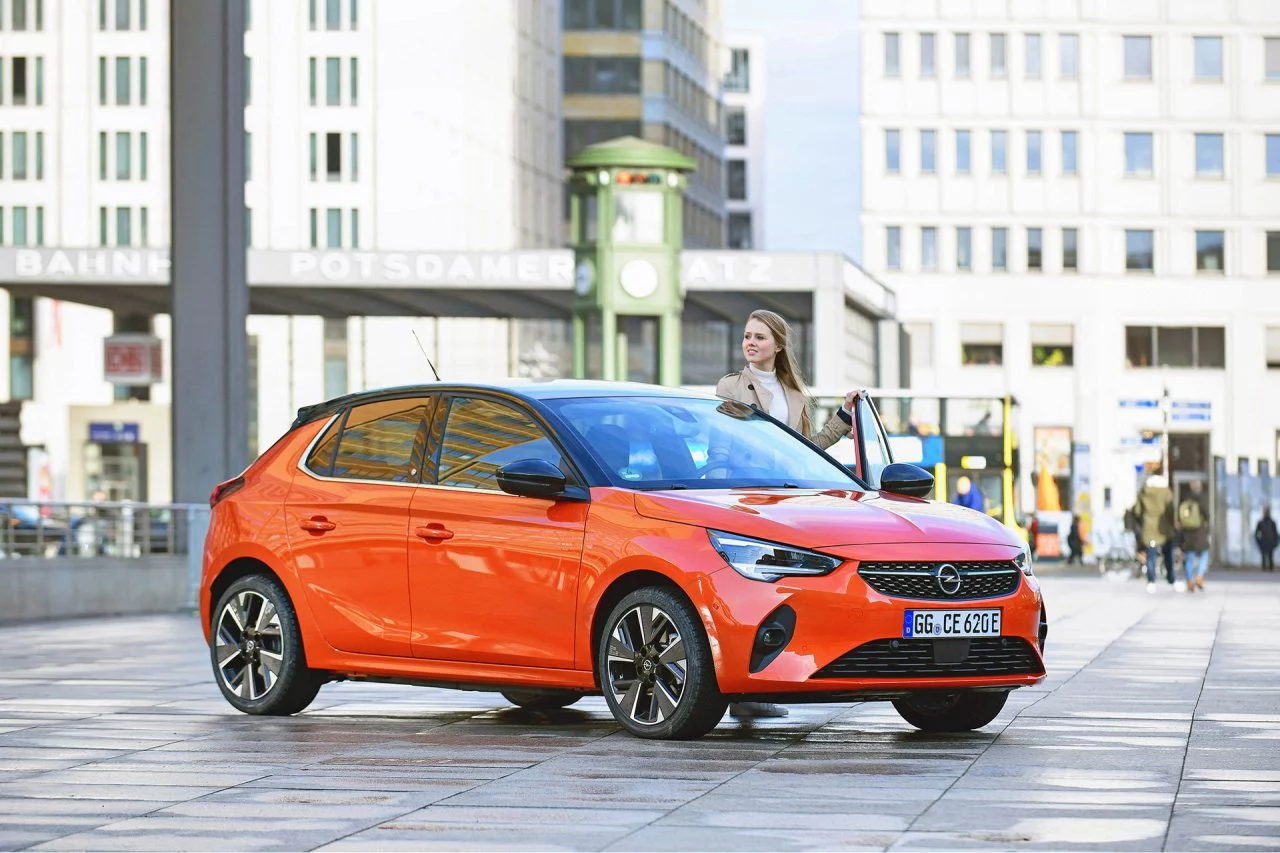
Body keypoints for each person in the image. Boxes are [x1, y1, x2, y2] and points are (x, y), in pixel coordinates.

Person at [714, 308, 861, 720]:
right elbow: (721, 443)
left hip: (783, 499)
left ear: (778, 345)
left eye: (759, 337)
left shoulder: (794, 393)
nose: (750, 343)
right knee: (745, 584)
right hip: (741, 494)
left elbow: (808, 448)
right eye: (747, 336)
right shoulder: (731, 386)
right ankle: (743, 687)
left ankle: (764, 680)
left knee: (778, 586)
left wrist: (845, 418)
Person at [1132, 472, 1175, 592]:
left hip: (1149, 528)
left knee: (1151, 556)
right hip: (1164, 528)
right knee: (1168, 554)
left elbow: (1137, 510)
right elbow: (1171, 510)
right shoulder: (1166, 492)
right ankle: (1171, 578)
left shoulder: (1144, 492)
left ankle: (1151, 581)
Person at [1178, 481, 1211, 591]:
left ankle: (1189, 580)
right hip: (1199, 531)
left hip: (1187, 532)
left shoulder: (1183, 500)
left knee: (1189, 557)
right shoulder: (1200, 499)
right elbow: (1206, 515)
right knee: (1204, 553)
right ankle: (1199, 576)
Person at [1255, 506, 1278, 572]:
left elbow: (1276, 533)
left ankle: (1270, 569)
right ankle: (1264, 569)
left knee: (1270, 558)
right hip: (1264, 542)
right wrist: (1259, 541)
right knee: (1264, 558)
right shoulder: (1260, 522)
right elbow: (1256, 533)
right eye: (1265, 512)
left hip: (1270, 542)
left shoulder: (1272, 523)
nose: (1266, 513)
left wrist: (1275, 542)